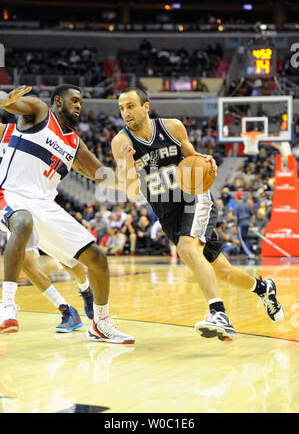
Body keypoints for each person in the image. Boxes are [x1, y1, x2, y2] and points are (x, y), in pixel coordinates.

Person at [111, 87, 284, 342]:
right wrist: (125, 166)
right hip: (167, 212)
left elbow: (194, 158)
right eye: (122, 108)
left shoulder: (172, 127)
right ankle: (264, 289)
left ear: (145, 107)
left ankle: (218, 314)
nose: (126, 112)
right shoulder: (121, 142)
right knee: (224, 271)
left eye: (131, 106)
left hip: (194, 198)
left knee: (187, 249)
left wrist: (208, 164)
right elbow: (129, 189)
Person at [0, 84, 134, 344]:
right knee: (23, 221)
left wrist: (126, 174)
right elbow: (8, 103)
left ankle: (100, 324)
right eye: (74, 100)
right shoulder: (39, 111)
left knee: (97, 258)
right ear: (58, 101)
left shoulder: (74, 142)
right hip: (11, 194)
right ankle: (6, 305)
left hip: (45, 205)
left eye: (81, 102)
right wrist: (6, 99)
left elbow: (100, 175)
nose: (78, 105)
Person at [0, 120, 94, 333]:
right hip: (9, 202)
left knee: (66, 258)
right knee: (25, 260)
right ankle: (65, 310)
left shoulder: (21, 133)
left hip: (35, 200)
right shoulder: (9, 131)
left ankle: (85, 289)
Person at [233, 191, 255, 259]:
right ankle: (248, 253)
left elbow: (235, 217)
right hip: (247, 223)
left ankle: (250, 254)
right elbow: (253, 215)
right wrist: (251, 223)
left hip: (241, 224)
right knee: (244, 239)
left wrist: (235, 225)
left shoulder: (237, 205)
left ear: (237, 198)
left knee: (241, 240)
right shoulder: (247, 204)